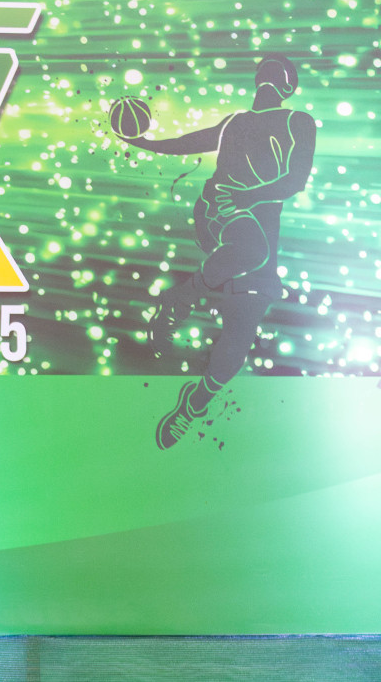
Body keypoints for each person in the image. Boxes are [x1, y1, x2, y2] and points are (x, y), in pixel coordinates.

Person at [118, 54, 315, 449]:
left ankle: (192, 406)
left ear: (288, 87)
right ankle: (180, 298)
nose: (269, 80)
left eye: (278, 75)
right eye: (265, 73)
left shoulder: (299, 122)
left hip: (258, 229)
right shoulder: (234, 123)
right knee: (250, 246)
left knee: (239, 336)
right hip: (219, 212)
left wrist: (250, 194)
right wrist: (144, 142)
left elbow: (295, 180)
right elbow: (189, 142)